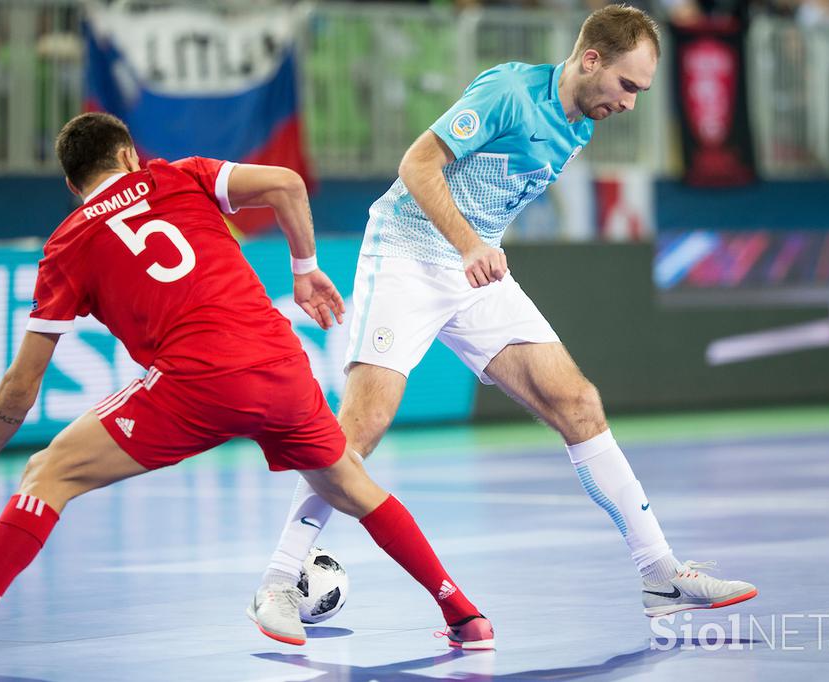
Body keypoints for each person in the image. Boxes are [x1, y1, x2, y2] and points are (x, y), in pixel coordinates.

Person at [0, 112, 494, 671]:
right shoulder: (178, 177)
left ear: (73, 185)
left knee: (47, 474)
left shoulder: (68, 243)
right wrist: (305, 273)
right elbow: (286, 183)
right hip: (281, 365)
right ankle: (464, 616)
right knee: (354, 486)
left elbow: (22, 385)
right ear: (127, 157)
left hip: (194, 382)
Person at [259, 4, 757, 623]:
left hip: (472, 273)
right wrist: (470, 242)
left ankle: (658, 574)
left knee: (577, 402)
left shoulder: (579, 126)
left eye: (641, 92)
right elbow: (417, 164)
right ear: (590, 59)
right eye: (627, 85)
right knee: (361, 427)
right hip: (409, 255)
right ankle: (279, 580)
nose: (631, 103)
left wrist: (474, 246)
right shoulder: (508, 92)